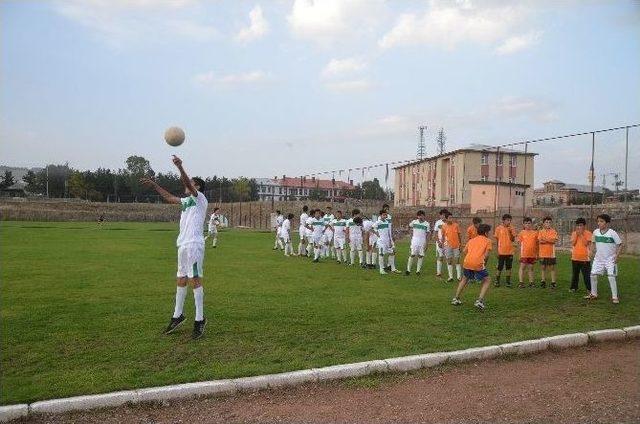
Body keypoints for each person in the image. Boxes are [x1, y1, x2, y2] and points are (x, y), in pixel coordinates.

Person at [141, 155, 208, 340]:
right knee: (180, 279)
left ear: (197, 187)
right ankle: (178, 316)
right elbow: (169, 197)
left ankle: (200, 319)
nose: (186, 185)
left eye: (191, 183)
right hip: (183, 245)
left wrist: (180, 167)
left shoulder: (200, 198)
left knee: (195, 279)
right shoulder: (186, 202)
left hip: (194, 244)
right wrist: (155, 185)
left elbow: (187, 182)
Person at [451, 224, 493, 311]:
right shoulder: (488, 241)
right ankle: (479, 301)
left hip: (467, 262)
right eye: (488, 232)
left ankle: (456, 298)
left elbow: (464, 251)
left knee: (464, 279)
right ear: (486, 232)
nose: (489, 233)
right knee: (487, 280)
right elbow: (487, 255)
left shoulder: (471, 240)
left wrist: (471, 257)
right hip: (477, 263)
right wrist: (483, 263)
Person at [587, 214, 623, 304]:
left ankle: (615, 297)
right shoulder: (595, 232)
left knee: (611, 277)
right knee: (593, 275)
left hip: (610, 259)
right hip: (598, 259)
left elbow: (621, 244)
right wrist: (591, 252)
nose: (599, 223)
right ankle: (593, 294)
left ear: (607, 223)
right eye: (598, 221)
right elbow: (593, 242)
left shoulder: (612, 233)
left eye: (601, 221)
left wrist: (617, 256)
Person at [372, 210, 401, 275]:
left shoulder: (387, 222)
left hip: (388, 241)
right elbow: (372, 228)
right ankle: (381, 270)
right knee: (381, 254)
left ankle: (393, 269)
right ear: (380, 215)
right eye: (384, 215)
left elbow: (388, 232)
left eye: (386, 215)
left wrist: (391, 241)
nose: (385, 216)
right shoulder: (378, 222)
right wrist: (377, 234)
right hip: (381, 241)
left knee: (392, 253)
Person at [494, 213, 516, 287]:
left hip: (510, 252)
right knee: (499, 267)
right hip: (501, 252)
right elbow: (497, 240)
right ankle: (497, 281)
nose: (509, 222)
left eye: (510, 220)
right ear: (503, 221)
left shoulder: (512, 228)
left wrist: (510, 233)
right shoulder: (498, 228)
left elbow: (513, 239)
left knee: (508, 267)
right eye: (507, 220)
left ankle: (508, 282)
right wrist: (497, 251)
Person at [406, 210, 431, 276]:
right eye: (419, 215)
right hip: (414, 241)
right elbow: (409, 227)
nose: (420, 217)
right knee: (412, 255)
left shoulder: (427, 224)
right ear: (417, 216)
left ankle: (418, 271)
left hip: (422, 241)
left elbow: (428, 234)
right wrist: (411, 235)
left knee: (420, 256)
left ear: (424, 216)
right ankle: (408, 270)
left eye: (422, 215)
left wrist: (427, 243)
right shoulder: (414, 222)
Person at [570, 218, 592, 293]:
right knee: (575, 275)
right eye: (578, 225)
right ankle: (573, 288)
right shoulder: (574, 233)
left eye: (581, 225)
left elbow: (586, 243)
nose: (579, 227)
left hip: (585, 258)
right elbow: (573, 243)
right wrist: (577, 234)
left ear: (584, 226)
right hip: (575, 257)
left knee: (586, 275)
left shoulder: (588, 233)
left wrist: (581, 234)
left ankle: (589, 289)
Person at [440, 212, 462, 282]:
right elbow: (443, 237)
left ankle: (459, 277)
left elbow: (459, 235)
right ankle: (451, 277)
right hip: (448, 246)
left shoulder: (456, 225)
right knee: (449, 261)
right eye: (450, 218)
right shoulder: (443, 226)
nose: (451, 219)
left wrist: (460, 244)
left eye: (452, 217)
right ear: (446, 219)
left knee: (457, 260)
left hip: (456, 245)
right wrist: (443, 246)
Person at [517, 217, 538, 288]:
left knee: (531, 268)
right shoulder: (521, 233)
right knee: (522, 267)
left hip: (532, 254)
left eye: (529, 223)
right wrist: (519, 254)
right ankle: (521, 282)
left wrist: (537, 254)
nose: (527, 225)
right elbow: (519, 244)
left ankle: (531, 282)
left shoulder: (535, 233)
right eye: (526, 223)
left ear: (531, 224)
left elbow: (537, 244)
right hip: (524, 254)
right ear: (523, 224)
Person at [538, 216, 558, 289]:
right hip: (542, 253)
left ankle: (553, 282)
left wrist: (545, 240)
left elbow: (554, 241)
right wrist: (549, 240)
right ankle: (543, 281)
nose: (548, 223)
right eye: (546, 222)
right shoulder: (541, 231)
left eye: (549, 222)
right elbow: (540, 241)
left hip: (551, 253)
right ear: (543, 223)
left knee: (552, 268)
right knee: (543, 267)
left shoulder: (553, 231)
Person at [433, 209, 448, 277]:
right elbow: (435, 233)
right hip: (440, 242)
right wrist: (438, 241)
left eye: (444, 215)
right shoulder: (438, 222)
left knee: (448, 257)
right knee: (441, 256)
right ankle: (438, 272)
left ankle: (450, 275)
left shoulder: (449, 222)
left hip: (448, 242)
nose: (443, 216)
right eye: (442, 215)